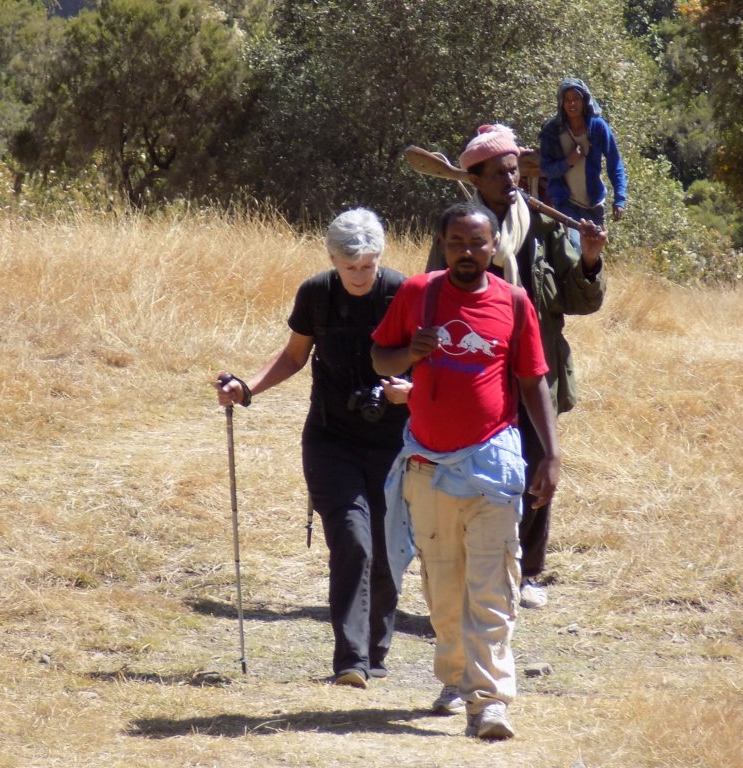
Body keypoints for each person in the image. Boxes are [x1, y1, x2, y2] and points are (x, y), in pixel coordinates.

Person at [373, 201, 561, 740]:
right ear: (442, 244)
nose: (466, 253)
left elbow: (532, 382)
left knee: (493, 586)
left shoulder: (515, 302)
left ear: (494, 246)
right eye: (456, 242)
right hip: (428, 465)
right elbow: (378, 359)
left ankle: (489, 702)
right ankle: (455, 679)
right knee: (444, 585)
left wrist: (550, 454)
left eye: (477, 243)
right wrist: (409, 351)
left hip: (492, 465)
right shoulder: (417, 294)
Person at [216, 208, 409, 688]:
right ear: (332, 260)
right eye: (351, 267)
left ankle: (375, 650)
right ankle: (350, 660)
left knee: (387, 547)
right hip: (331, 438)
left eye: (368, 265)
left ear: (380, 257)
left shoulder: (404, 293)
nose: (361, 276)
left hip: (393, 441)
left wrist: (406, 388)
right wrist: (247, 388)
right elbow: (293, 355)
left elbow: (428, 360)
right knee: (351, 539)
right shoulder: (317, 294)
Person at [424, 124, 607, 610]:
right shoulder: (460, 230)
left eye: (514, 171)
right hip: (474, 373)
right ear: (476, 179)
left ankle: (527, 572)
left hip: (534, 370)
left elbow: (577, 300)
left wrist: (589, 261)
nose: (511, 180)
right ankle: (474, 567)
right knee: (476, 472)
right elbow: (433, 294)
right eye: (500, 173)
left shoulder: (544, 227)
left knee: (537, 467)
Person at [539, 77, 627, 250]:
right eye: (568, 100)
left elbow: (614, 163)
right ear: (561, 103)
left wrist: (620, 198)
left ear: (585, 100)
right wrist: (568, 162)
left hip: (594, 204)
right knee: (575, 249)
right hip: (565, 203)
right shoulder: (552, 131)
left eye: (576, 99)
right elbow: (546, 169)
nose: (572, 104)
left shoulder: (598, 127)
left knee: (593, 253)